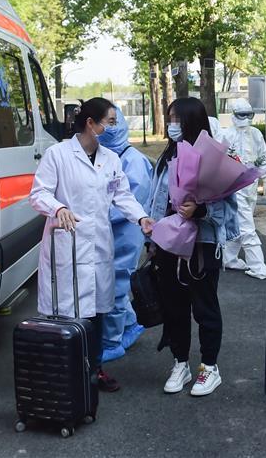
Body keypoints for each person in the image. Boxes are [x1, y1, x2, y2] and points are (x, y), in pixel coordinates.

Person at [29, 97, 155, 393]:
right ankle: (66, 373)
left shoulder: (110, 159)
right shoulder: (57, 154)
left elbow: (122, 196)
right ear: (90, 123)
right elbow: (38, 193)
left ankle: (95, 370)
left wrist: (141, 218)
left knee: (97, 313)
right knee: (68, 315)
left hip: (98, 248)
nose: (113, 127)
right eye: (109, 122)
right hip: (67, 246)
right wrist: (58, 208)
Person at [145, 98, 239, 397]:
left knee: (204, 308)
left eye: (176, 119)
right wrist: (151, 238)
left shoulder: (213, 157)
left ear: (190, 121)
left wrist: (199, 211)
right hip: (169, 245)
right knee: (174, 308)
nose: (171, 124)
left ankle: (209, 368)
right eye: (169, 118)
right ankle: (180, 362)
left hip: (202, 246)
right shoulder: (166, 157)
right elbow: (154, 200)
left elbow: (227, 211)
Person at [96, 105, 154, 363]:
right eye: (103, 123)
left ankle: (112, 342)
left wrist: (96, 214)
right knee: (113, 283)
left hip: (126, 231)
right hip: (110, 231)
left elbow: (131, 202)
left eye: (111, 123)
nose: (106, 130)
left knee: (116, 286)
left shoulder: (134, 161)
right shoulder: (108, 157)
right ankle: (130, 325)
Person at [220, 98, 266, 278]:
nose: (245, 119)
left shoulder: (256, 134)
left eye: (248, 115)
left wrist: (265, 180)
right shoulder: (225, 135)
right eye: (241, 115)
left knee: (240, 222)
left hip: (251, 184)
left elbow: (264, 158)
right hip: (234, 185)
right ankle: (259, 267)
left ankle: (230, 258)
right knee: (247, 227)